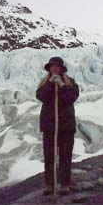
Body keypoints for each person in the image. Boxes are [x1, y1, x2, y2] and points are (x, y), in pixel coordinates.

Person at [35, 56, 80, 196]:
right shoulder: (44, 83)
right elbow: (41, 97)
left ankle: (65, 184)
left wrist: (62, 85)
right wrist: (50, 84)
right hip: (49, 127)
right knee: (49, 156)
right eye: (52, 66)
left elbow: (71, 98)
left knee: (65, 156)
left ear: (61, 69)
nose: (54, 68)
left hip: (66, 126)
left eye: (57, 66)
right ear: (49, 68)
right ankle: (50, 184)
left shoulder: (70, 83)